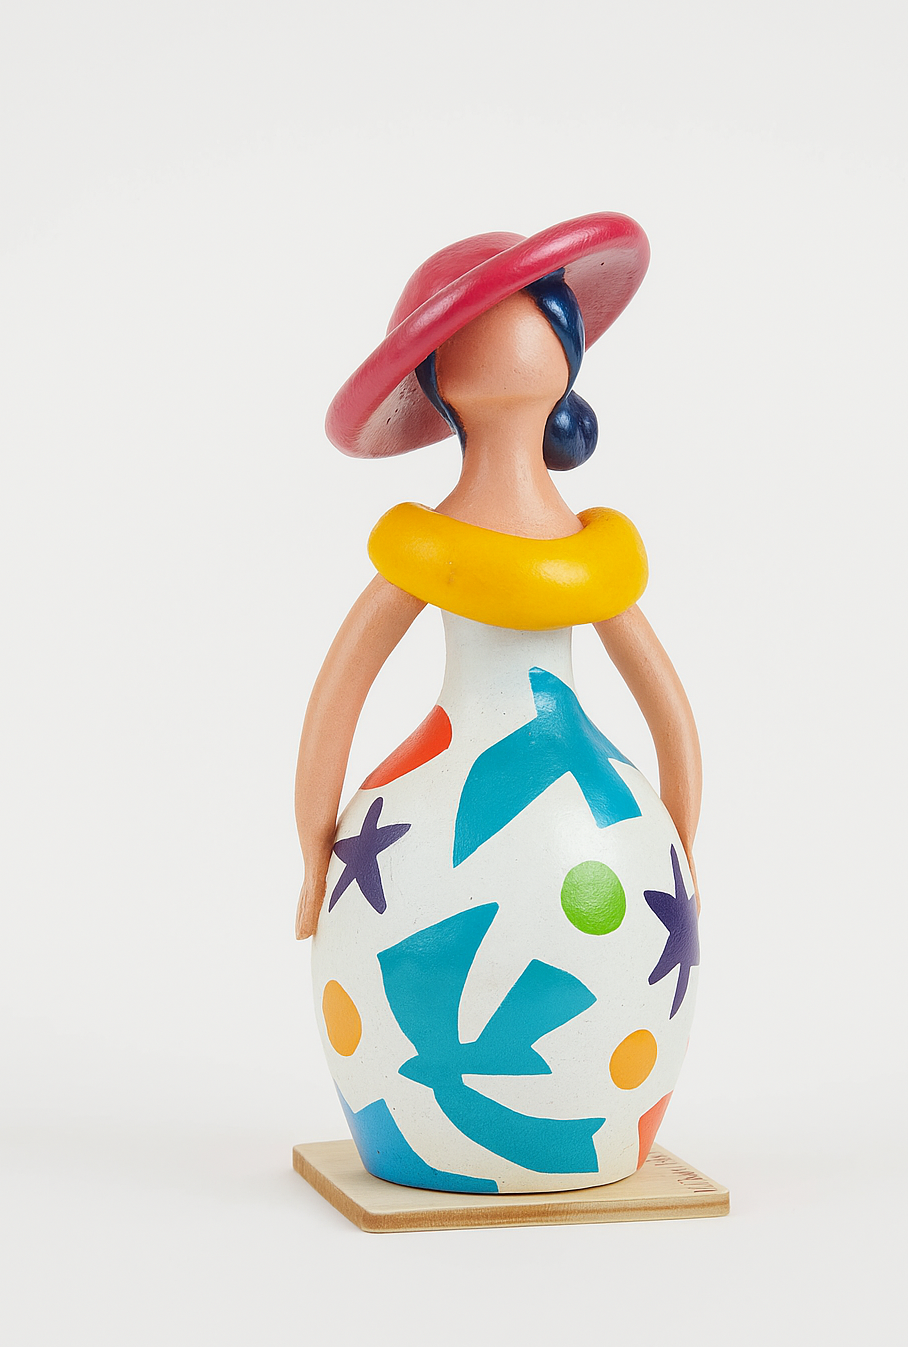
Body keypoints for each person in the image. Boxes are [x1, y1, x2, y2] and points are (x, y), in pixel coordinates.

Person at [295, 213, 702, 1194]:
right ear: (435, 378)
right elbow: (339, 692)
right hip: (430, 812)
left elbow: (668, 709)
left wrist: (681, 852)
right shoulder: (423, 548)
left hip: (605, 823)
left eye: (528, 313)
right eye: (470, 322)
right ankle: (419, 1137)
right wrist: (314, 859)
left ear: (568, 355)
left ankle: (593, 1130)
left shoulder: (594, 553)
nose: (505, 334)